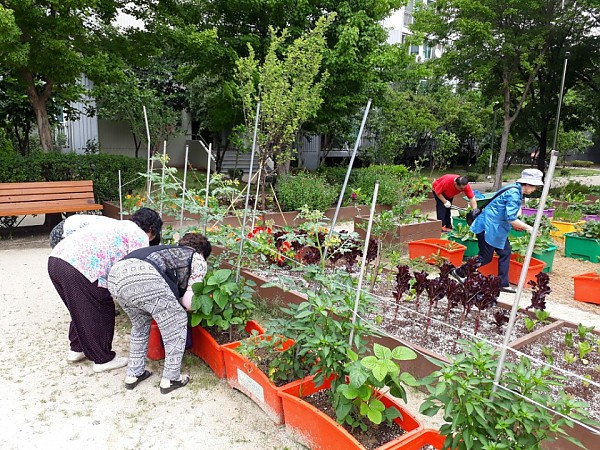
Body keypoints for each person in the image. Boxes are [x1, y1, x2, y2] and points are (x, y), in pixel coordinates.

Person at [48, 208, 163, 372]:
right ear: (151, 229)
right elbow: (138, 268)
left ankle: (77, 349)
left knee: (81, 308)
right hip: (79, 267)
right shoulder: (138, 234)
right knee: (102, 308)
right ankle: (103, 359)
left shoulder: (117, 225)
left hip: (56, 261)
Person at [107, 233, 212, 394]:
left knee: (140, 325)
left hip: (115, 277)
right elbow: (189, 303)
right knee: (176, 320)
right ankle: (171, 378)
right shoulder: (198, 259)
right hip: (143, 276)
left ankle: (134, 374)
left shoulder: (167, 252)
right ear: (203, 253)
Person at [450, 169, 544, 293]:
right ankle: (459, 272)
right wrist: (529, 228)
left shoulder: (513, 188)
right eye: (535, 187)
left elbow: (505, 214)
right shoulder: (514, 194)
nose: (534, 190)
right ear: (527, 184)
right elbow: (510, 218)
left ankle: (502, 283)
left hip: (496, 228)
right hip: (488, 227)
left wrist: (517, 225)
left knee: (505, 252)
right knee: (486, 257)